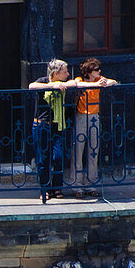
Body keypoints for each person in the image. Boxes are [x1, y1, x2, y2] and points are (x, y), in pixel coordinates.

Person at [71, 58, 117, 197]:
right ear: (90, 72)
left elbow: (112, 81)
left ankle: (91, 183)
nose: (99, 72)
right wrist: (95, 84)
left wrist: (104, 83)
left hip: (94, 116)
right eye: (96, 70)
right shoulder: (80, 79)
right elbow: (77, 84)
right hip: (81, 116)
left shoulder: (100, 79)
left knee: (93, 150)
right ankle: (76, 185)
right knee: (78, 150)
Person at [29, 59, 73, 199]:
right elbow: (31, 86)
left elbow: (74, 83)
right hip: (42, 124)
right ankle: (45, 188)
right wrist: (52, 86)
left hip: (57, 124)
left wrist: (61, 84)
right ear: (55, 73)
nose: (67, 74)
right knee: (43, 158)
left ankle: (57, 187)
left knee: (58, 156)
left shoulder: (64, 83)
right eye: (65, 72)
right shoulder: (43, 81)